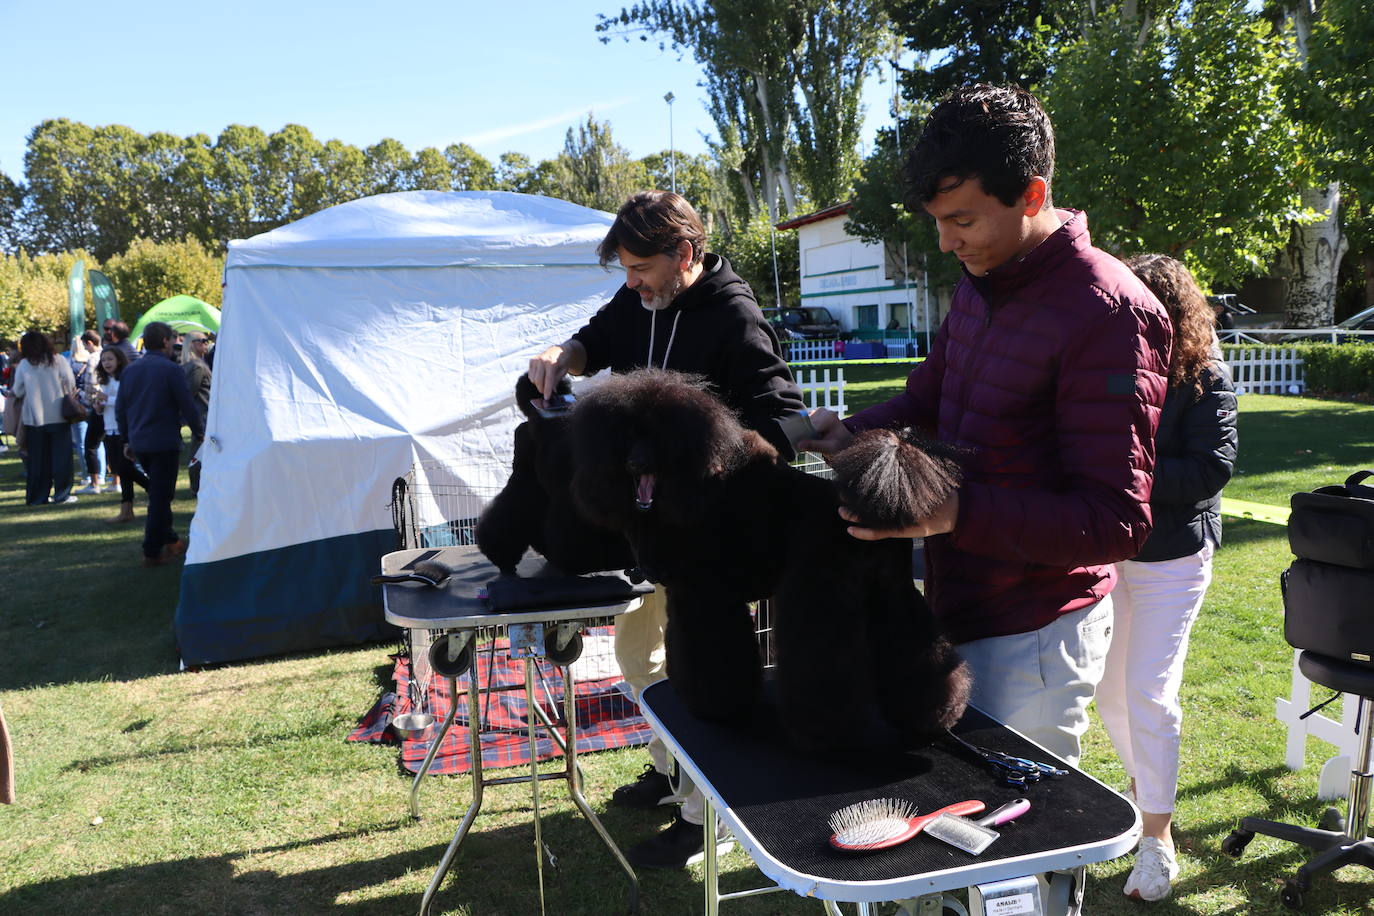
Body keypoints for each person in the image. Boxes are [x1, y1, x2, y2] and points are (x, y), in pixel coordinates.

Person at [802, 84, 1172, 766]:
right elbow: (929, 397)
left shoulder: (1111, 312)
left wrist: (955, 513)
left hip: (1035, 634)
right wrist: (846, 434)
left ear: (1032, 196)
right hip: (959, 607)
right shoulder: (981, 282)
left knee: (1020, 852)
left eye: (963, 221)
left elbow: (1117, 521)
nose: (945, 243)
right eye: (938, 220)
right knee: (957, 832)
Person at [528, 190, 805, 869]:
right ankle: (670, 767)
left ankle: (699, 815)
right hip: (646, 536)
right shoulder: (642, 300)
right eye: (623, 270)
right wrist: (562, 353)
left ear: (684, 253)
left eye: (639, 268)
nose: (631, 283)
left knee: (692, 675)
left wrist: (700, 458)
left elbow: (783, 423)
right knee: (637, 662)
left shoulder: (735, 320)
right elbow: (600, 335)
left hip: (709, 545)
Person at [1096, 254, 1237, 901]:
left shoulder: (1208, 376)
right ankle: (1141, 789)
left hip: (1174, 563)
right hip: (1109, 557)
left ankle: (1158, 837)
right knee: (1110, 695)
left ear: (1175, 312)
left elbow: (1210, 470)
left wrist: (1131, 474)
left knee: (1149, 694)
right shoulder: (1110, 369)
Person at [115, 321, 203, 567]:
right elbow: (187, 404)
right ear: (165, 341)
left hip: (140, 441)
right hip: (163, 440)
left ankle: (172, 540)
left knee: (159, 494)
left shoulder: (131, 370)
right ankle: (152, 550)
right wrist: (199, 431)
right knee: (161, 498)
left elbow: (122, 409)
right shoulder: (170, 369)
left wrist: (126, 439)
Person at [11, 330, 81, 506]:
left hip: (34, 418)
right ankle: (62, 494)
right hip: (59, 415)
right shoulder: (58, 360)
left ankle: (37, 496)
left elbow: (18, 390)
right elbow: (71, 383)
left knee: (37, 462)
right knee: (62, 459)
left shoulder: (25, 364)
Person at [93, 346, 150, 524]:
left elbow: (129, 401)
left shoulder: (125, 378)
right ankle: (127, 510)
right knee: (121, 471)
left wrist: (106, 400)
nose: (106, 363)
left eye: (109, 359)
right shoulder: (105, 381)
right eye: (103, 360)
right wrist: (99, 407)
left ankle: (154, 489)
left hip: (124, 429)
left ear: (119, 360)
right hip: (109, 429)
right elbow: (107, 408)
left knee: (124, 468)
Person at [71, 330, 107, 494]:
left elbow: (91, 384)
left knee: (90, 444)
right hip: (108, 404)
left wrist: (88, 399)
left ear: (89, 343)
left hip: (96, 405)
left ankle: (94, 480)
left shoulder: (93, 358)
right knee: (107, 443)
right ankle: (107, 476)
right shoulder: (108, 354)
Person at [182, 332, 212, 495]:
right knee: (201, 451)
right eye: (203, 341)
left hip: (202, 415)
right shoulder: (197, 366)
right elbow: (189, 392)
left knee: (202, 450)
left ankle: (199, 485)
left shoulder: (195, 364)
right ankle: (197, 486)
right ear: (192, 344)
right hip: (203, 416)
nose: (206, 343)